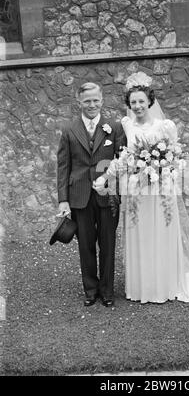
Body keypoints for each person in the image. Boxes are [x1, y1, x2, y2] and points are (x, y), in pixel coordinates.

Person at [94, 72, 189, 304]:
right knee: (140, 236)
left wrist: (161, 170)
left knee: (160, 234)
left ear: (150, 101)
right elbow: (122, 159)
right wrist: (106, 177)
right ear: (128, 105)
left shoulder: (166, 126)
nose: (138, 106)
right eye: (133, 102)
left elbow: (176, 159)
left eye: (141, 101)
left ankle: (164, 284)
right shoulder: (126, 125)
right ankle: (142, 286)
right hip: (136, 192)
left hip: (161, 191)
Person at [56, 82, 126, 307]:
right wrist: (63, 200)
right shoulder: (69, 130)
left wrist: (110, 183)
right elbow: (63, 167)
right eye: (87, 101)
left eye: (96, 100)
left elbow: (122, 161)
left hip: (108, 196)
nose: (92, 104)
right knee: (85, 245)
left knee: (107, 244)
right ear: (79, 102)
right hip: (79, 197)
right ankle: (90, 290)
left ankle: (107, 291)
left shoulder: (114, 128)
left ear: (102, 100)